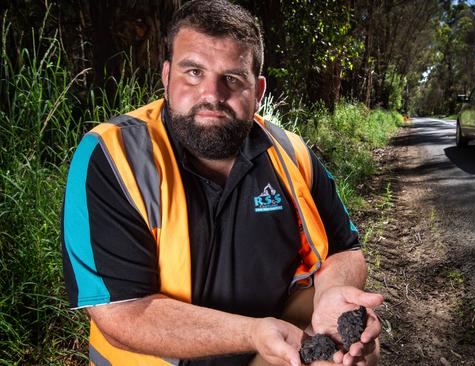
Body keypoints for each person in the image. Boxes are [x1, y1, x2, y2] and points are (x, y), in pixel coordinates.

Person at [60, 1, 383, 365]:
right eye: (194, 72)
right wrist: (254, 332)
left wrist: (335, 291)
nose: (212, 94)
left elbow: (345, 249)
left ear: (258, 91)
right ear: (166, 77)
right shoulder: (113, 156)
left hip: (271, 350)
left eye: (232, 78)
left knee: (359, 351)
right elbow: (122, 314)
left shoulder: (291, 153)